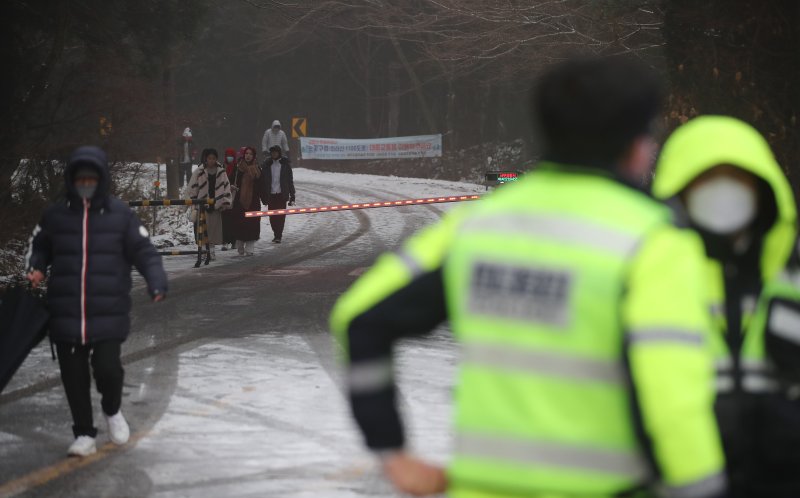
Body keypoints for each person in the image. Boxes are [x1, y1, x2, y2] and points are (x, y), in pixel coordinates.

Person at [329, 57, 727, 498]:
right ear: (638, 145)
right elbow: (672, 398)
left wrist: (392, 451)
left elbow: (360, 317)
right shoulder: (655, 241)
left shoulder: (477, 225)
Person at [653, 116, 800, 498]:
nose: (722, 190)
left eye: (736, 176)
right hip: (684, 476)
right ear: (680, 190)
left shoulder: (792, 270)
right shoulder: (653, 273)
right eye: (706, 177)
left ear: (762, 186)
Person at [25, 146, 167, 457]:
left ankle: (112, 410)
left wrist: (156, 281)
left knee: (108, 370)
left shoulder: (121, 216)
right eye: (81, 178)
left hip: (108, 312)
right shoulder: (55, 214)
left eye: (92, 178)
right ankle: (84, 433)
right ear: (72, 179)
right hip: (65, 311)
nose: (86, 182)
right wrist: (35, 267)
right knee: (73, 378)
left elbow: (145, 252)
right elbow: (39, 246)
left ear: (101, 179)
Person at [187, 148, 233, 260]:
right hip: (202, 205)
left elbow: (226, 186)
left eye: (213, 158)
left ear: (216, 159)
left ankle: (211, 251)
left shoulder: (221, 171)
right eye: (209, 158)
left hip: (216, 204)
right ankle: (203, 251)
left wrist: (225, 201)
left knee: (213, 230)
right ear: (205, 159)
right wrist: (193, 202)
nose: (211, 160)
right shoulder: (199, 171)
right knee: (202, 229)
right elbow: (192, 188)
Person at [230, 146, 264, 256]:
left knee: (252, 224)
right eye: (246, 153)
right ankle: (239, 243)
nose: (248, 156)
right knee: (240, 223)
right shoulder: (238, 168)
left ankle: (250, 247)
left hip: (253, 201)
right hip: (239, 201)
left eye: (250, 154)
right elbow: (230, 181)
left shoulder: (258, 169)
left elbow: (261, 186)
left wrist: (264, 197)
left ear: (254, 156)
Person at [261, 145, 295, 243]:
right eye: (272, 152)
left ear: (279, 153)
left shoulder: (285, 165)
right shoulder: (267, 165)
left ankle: (278, 235)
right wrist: (263, 196)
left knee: (280, 216)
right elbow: (263, 181)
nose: (274, 154)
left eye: (275, 152)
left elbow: (290, 181)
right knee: (272, 216)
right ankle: (276, 233)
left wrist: (292, 195)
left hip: (281, 194)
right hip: (271, 194)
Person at [220, 147, 238, 251]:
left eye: (231, 156)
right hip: (223, 196)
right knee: (224, 220)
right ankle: (225, 241)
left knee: (233, 220)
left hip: (233, 197)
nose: (229, 158)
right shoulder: (222, 168)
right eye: (228, 155)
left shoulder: (237, 168)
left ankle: (234, 240)